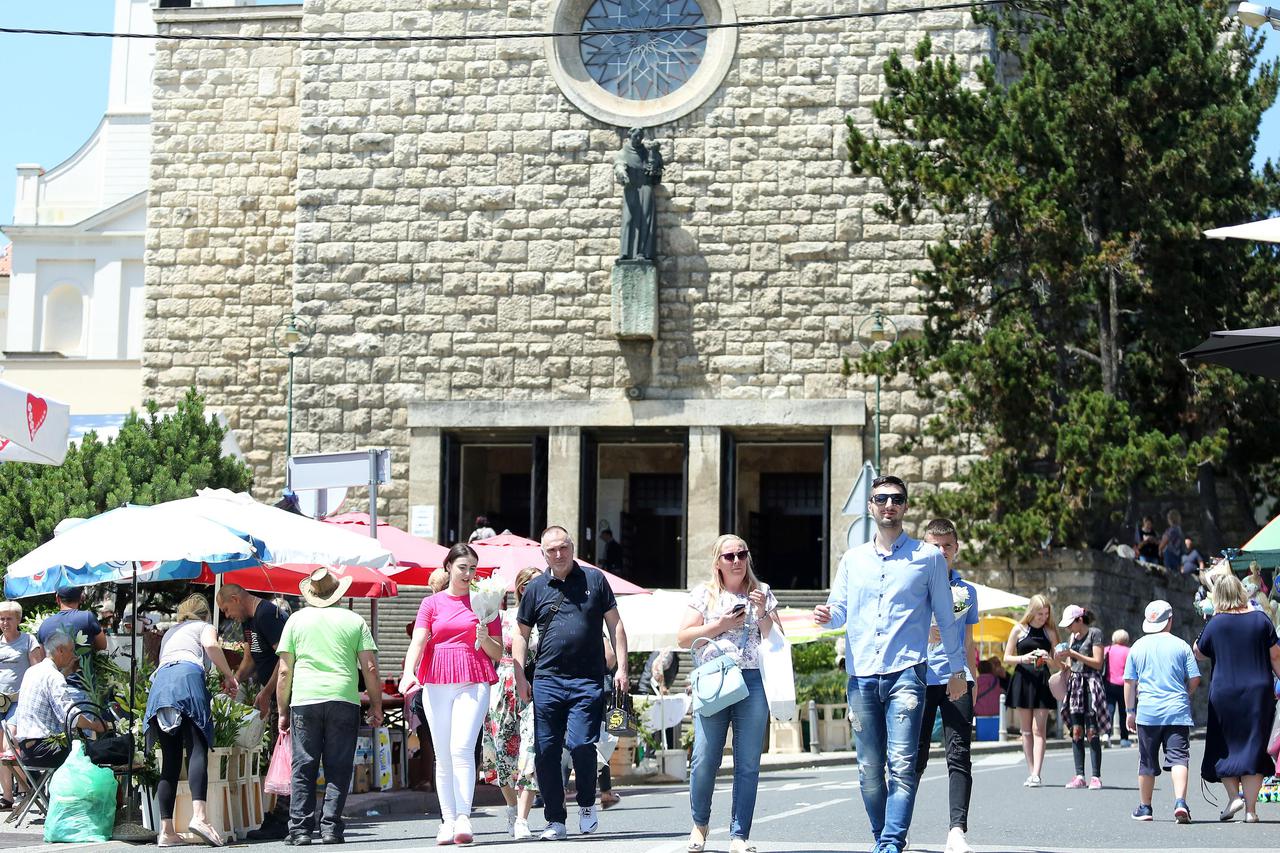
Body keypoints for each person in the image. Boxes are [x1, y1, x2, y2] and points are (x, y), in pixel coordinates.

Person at [813, 475, 967, 853]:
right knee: (868, 771)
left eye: (896, 499)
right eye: (881, 498)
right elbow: (840, 611)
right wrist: (826, 616)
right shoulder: (853, 559)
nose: (888, 505)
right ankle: (883, 834)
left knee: (901, 764)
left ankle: (891, 844)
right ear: (870, 506)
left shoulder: (927, 557)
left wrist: (957, 671)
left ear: (905, 507)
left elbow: (946, 617)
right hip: (862, 675)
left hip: (907, 674)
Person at [512, 526, 629, 842]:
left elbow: (615, 624)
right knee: (546, 751)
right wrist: (520, 674)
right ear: (543, 554)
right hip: (547, 680)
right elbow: (521, 634)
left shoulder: (595, 580)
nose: (559, 554)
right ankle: (555, 820)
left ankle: (588, 803)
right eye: (552, 550)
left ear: (572, 547)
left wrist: (622, 669)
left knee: (580, 744)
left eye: (563, 547)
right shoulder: (535, 588)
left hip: (586, 679)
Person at [677, 534, 779, 853]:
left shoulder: (762, 593)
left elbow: (777, 640)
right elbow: (683, 637)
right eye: (729, 556)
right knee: (705, 757)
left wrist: (762, 612)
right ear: (717, 562)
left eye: (741, 554)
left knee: (747, 762)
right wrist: (718, 625)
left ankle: (739, 835)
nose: (736, 560)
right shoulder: (704, 595)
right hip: (714, 678)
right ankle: (700, 825)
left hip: (753, 681)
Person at [399, 544, 500, 846]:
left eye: (473, 568)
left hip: (474, 676)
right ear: (448, 568)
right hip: (437, 677)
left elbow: (498, 651)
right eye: (462, 567)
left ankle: (465, 817)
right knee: (443, 755)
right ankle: (448, 820)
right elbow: (418, 641)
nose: (468, 574)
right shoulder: (431, 604)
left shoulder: (486, 602)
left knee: (462, 748)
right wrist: (408, 671)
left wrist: (484, 639)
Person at [277, 568, 382, 846]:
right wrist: (376, 704)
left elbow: (285, 672)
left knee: (304, 766)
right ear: (338, 593)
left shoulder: (296, 621)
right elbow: (370, 667)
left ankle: (300, 830)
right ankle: (331, 828)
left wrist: (282, 710)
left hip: (304, 701)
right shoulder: (354, 620)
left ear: (311, 594)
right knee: (338, 766)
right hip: (343, 700)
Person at [145, 595, 239, 848]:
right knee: (197, 749)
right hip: (187, 681)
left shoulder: (170, 633)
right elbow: (210, 646)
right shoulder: (205, 627)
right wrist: (229, 675)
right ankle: (199, 817)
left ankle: (166, 831)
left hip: (161, 687)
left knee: (171, 758)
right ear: (206, 615)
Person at [914, 519, 979, 853]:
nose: (941, 551)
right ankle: (899, 828)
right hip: (920, 678)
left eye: (947, 546)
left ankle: (957, 830)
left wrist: (973, 680)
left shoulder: (966, 591)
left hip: (957, 678)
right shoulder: (912, 584)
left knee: (959, 756)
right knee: (915, 757)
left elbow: (968, 640)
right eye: (934, 545)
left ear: (955, 549)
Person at [1193, 572, 1280, 822]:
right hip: (1257, 692)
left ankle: (1234, 798)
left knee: (1224, 745)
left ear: (1218, 597)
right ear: (1242, 594)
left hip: (1224, 692)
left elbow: (1198, 652)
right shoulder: (1261, 620)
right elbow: (1275, 656)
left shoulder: (1216, 624)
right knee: (1254, 746)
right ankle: (1251, 811)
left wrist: (1210, 620)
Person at [216, 583, 292, 841]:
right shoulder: (249, 621)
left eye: (226, 609)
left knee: (287, 753)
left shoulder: (266, 615)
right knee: (279, 754)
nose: (227, 616)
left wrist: (269, 692)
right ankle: (284, 813)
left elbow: (286, 657)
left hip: (284, 695)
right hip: (270, 693)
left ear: (236, 599)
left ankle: (286, 816)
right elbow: (251, 657)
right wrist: (235, 679)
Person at [1123, 599, 1199, 823]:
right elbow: (1194, 678)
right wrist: (1186, 693)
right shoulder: (1182, 645)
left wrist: (1130, 711)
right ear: (1171, 620)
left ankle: (1145, 808)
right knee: (1179, 758)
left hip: (1148, 713)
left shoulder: (1137, 646)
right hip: (1177, 710)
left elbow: (1129, 682)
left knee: (1146, 761)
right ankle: (1180, 803)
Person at [480, 566, 542, 841]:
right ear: (518, 588)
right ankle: (511, 807)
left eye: (536, 583)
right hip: (503, 688)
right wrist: (483, 639)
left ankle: (522, 819)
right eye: (525, 583)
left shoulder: (549, 618)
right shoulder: (504, 617)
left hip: (536, 688)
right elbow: (497, 653)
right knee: (502, 755)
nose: (530, 587)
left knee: (531, 752)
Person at [12, 632, 105, 767]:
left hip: (27, 750)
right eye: (71, 650)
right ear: (60, 650)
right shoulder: (53, 676)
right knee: (98, 753)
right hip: (45, 749)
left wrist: (66, 672)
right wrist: (95, 726)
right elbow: (70, 716)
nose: (74, 655)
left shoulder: (32, 671)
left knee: (87, 749)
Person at [1002, 594, 1062, 787]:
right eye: (1039, 614)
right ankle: (1031, 771)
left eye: (1046, 614)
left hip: (1042, 680)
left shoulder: (1050, 632)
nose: (1043, 617)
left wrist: (1048, 658)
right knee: (1025, 731)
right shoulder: (1018, 629)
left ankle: (1037, 773)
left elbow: (1059, 663)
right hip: (1023, 679)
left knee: (1039, 730)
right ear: (1031, 612)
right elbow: (1007, 657)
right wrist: (1025, 658)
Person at [1056, 605, 1107, 789]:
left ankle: (1096, 776)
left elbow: (1098, 662)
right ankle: (1079, 775)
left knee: (1092, 731)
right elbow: (1070, 665)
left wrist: (1073, 653)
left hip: (1091, 684)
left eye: (1070, 624)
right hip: (1075, 684)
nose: (1068, 629)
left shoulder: (1095, 633)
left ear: (1079, 620)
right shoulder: (1072, 637)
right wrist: (1058, 660)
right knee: (1076, 731)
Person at [0, 600, 43, 809]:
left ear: (18, 620)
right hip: (0, 702)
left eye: (9, 618)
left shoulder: (28, 641)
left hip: (18, 701)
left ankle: (29, 787)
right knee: (0, 751)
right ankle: (8, 797)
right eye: (1, 618)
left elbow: (38, 671)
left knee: (10, 746)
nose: (4, 622)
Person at [36, 586, 107, 652]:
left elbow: (42, 656)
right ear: (80, 598)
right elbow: (102, 645)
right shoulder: (87, 617)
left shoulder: (45, 625)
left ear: (57, 599)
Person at [1102, 629, 1131, 748]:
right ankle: (1124, 739)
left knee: (1109, 710)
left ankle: (1106, 735)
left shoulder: (1107, 650)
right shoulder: (1129, 651)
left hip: (1109, 683)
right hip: (1125, 685)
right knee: (1124, 712)